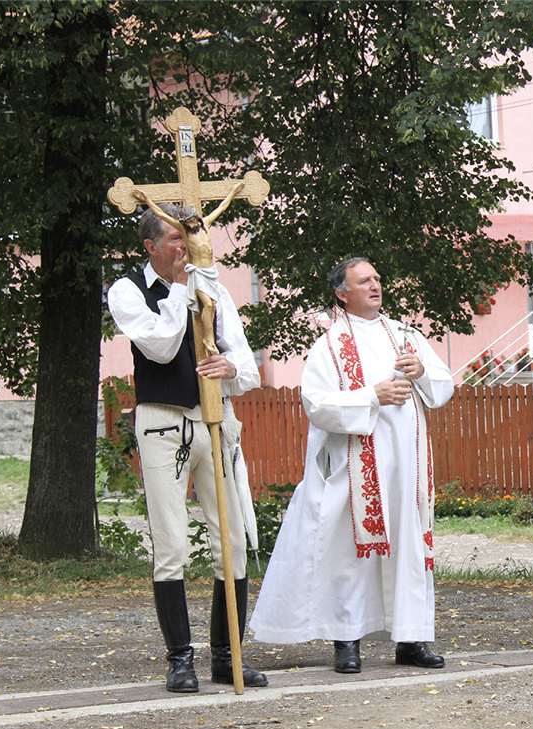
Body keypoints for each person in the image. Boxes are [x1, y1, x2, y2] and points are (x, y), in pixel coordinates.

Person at [249, 258, 455, 674]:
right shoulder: (329, 344)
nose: (375, 286)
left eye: (377, 279)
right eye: (364, 281)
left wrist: (423, 373)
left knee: (408, 547)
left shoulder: (404, 334)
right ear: (342, 293)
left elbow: (443, 385)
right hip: (356, 465)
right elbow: (317, 404)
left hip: (406, 465)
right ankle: (347, 641)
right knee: (350, 554)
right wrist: (372, 396)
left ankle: (411, 638)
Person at [107, 203, 265, 693]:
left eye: (189, 238)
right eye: (175, 239)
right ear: (151, 246)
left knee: (233, 542)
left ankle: (227, 656)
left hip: (216, 419)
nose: (186, 247)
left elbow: (248, 364)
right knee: (172, 544)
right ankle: (180, 660)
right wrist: (180, 288)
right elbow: (159, 345)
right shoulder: (128, 289)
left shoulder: (213, 289)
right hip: (162, 422)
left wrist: (232, 369)